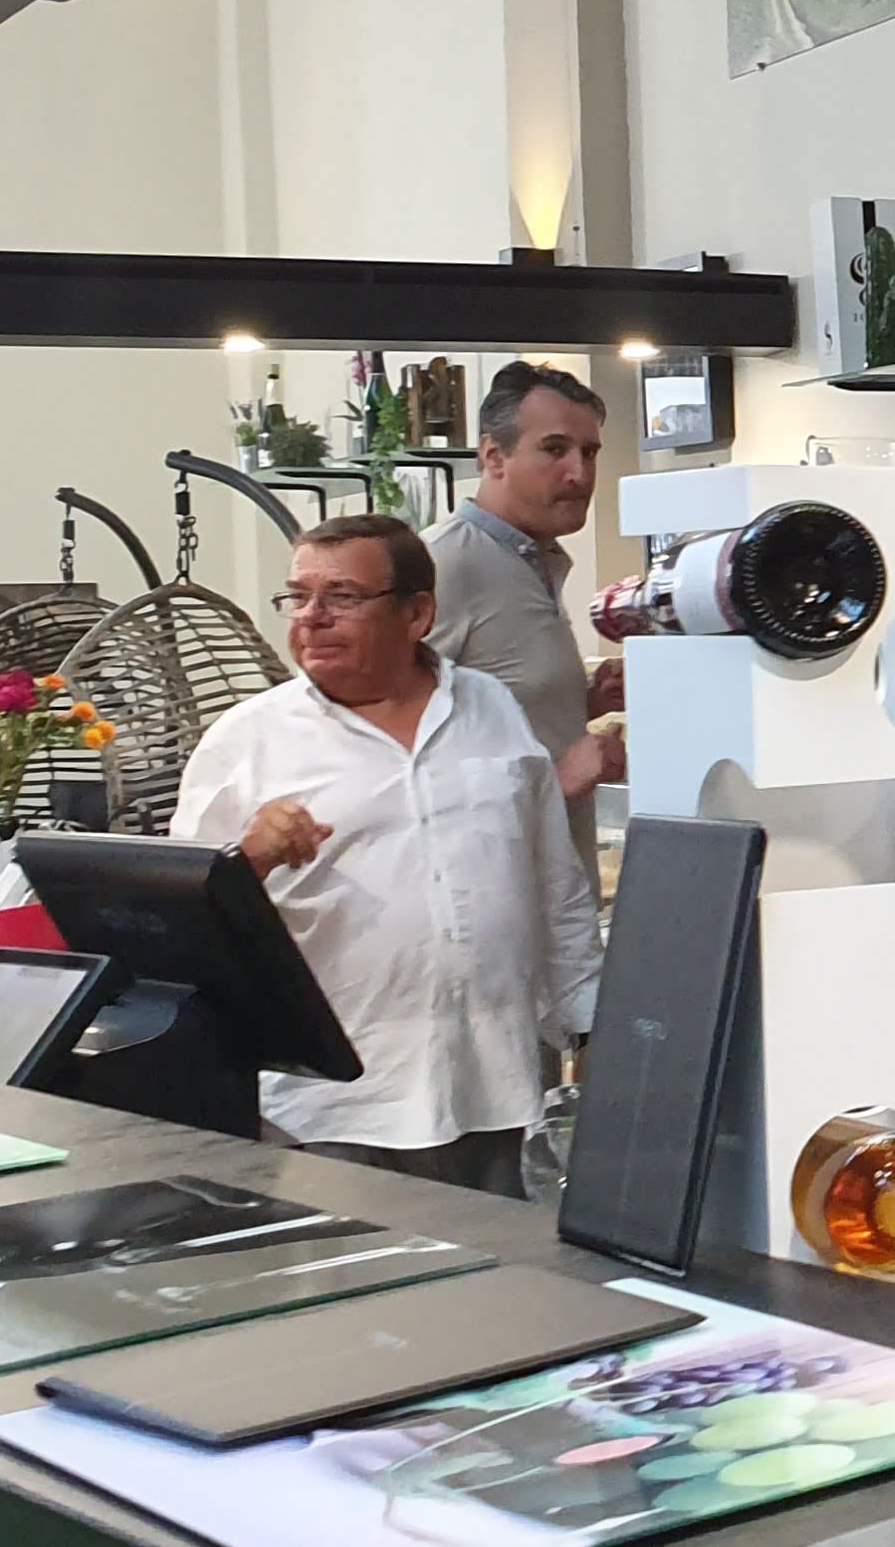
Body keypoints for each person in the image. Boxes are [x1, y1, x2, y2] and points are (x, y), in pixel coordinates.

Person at [171, 514, 599, 1194]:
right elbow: (178, 929)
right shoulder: (246, 741)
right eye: (297, 596)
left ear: (417, 614)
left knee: (498, 1265)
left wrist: (590, 1025)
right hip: (333, 1110)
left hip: (494, 1090)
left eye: (341, 596)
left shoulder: (489, 707)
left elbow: (553, 880)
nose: (311, 617)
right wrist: (247, 858)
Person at [427, 360, 619, 881]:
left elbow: (490, 705)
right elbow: (392, 757)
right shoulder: (445, 564)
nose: (579, 474)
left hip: (555, 886)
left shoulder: (535, 559)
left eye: (589, 452)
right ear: (493, 456)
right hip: (484, 897)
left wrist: (584, 699)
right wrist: (560, 780)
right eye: (554, 450)